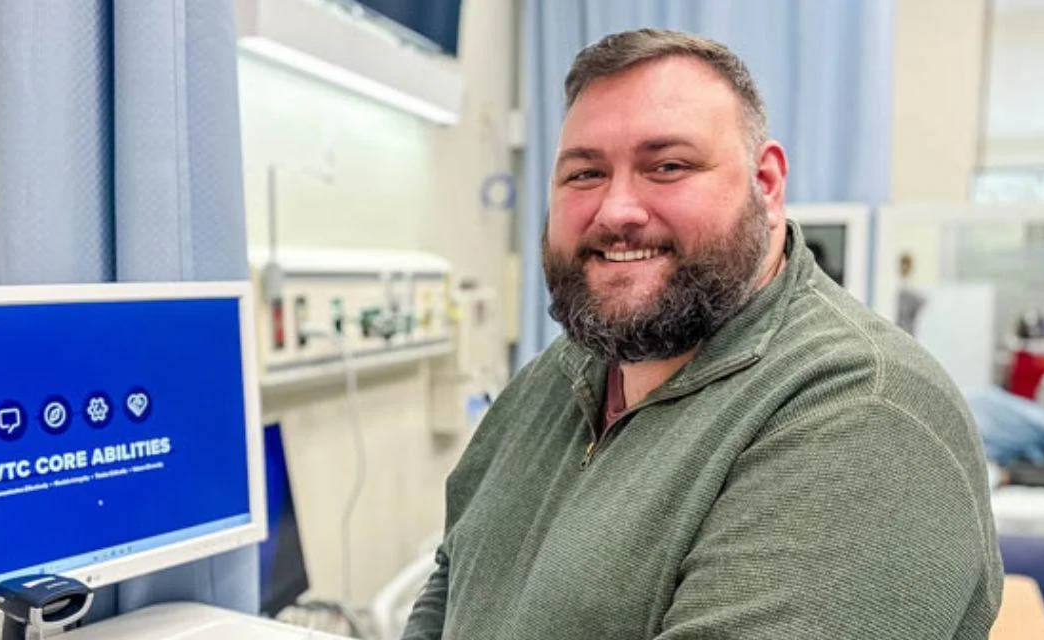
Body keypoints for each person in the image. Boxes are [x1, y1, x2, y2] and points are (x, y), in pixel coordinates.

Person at [402, 29, 1002, 639]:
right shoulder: (568, 368)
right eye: (585, 174)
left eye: (668, 166)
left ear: (766, 184)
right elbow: (454, 581)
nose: (616, 210)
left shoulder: (862, 415)